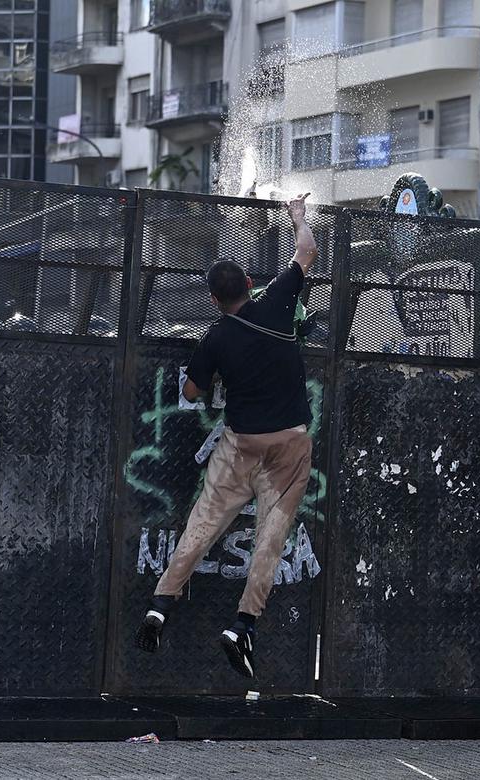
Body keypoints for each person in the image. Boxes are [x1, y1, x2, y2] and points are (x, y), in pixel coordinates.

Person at [134, 193, 319, 679]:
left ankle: (159, 605)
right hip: (290, 447)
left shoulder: (215, 336)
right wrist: (298, 216)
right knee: (270, 538)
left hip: (240, 445)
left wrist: (212, 372)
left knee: (202, 523)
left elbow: (193, 392)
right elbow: (305, 252)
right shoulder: (280, 302)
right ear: (253, 286)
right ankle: (242, 626)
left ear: (214, 301)